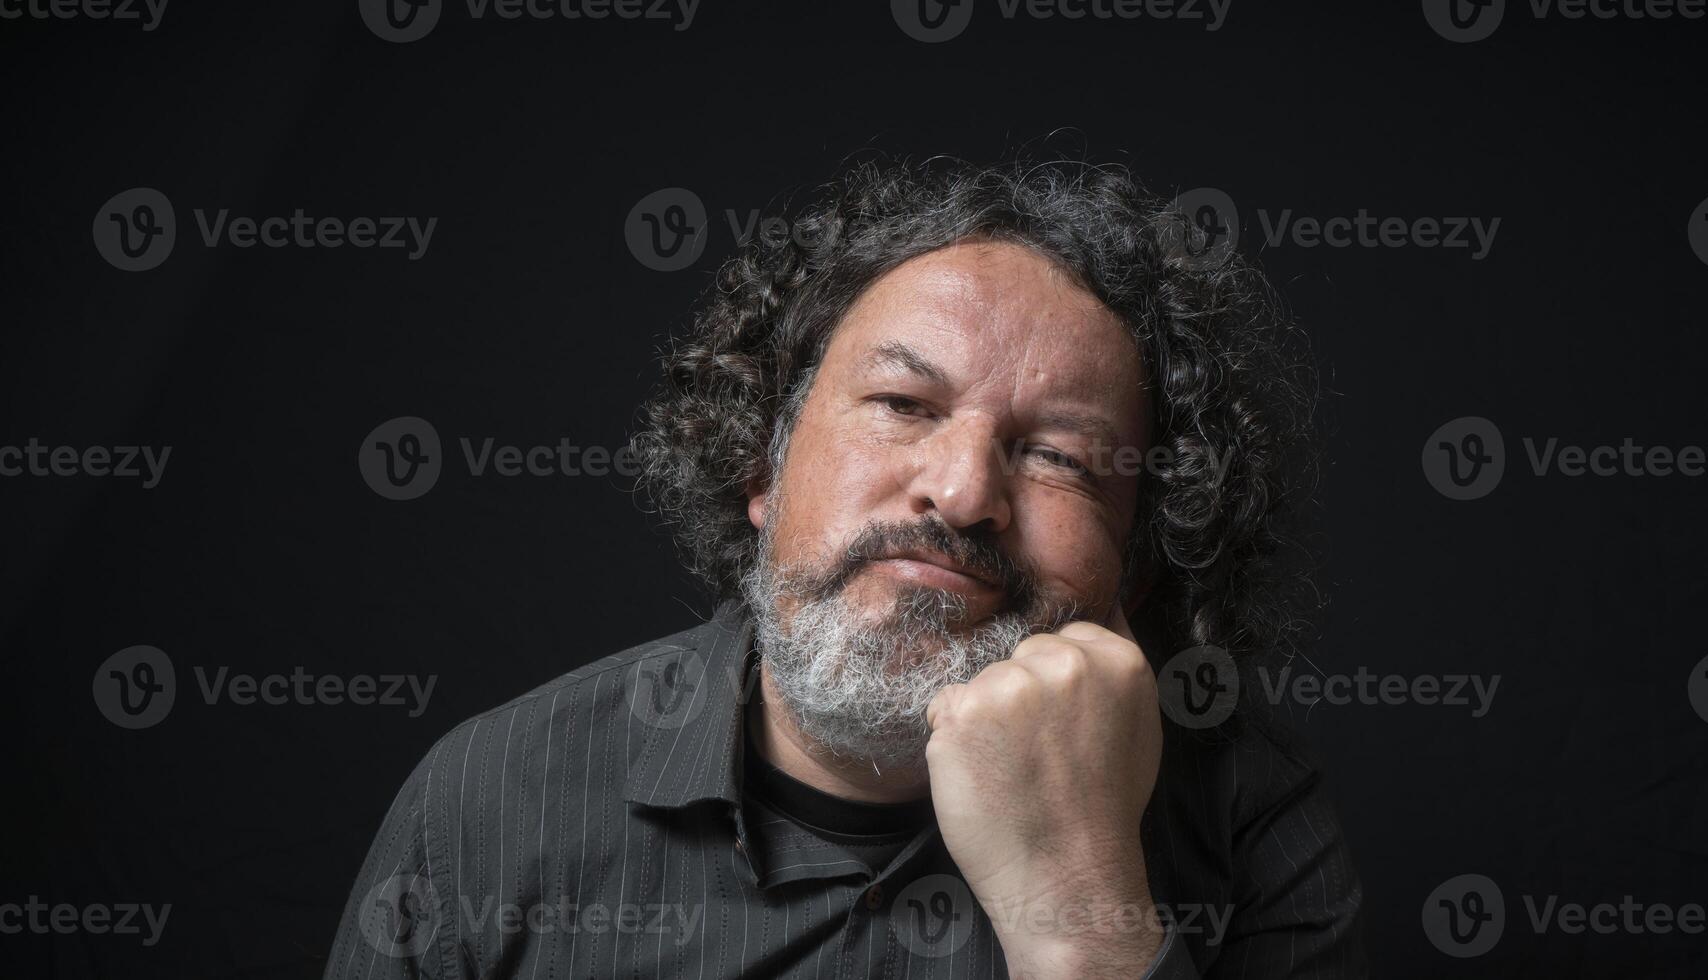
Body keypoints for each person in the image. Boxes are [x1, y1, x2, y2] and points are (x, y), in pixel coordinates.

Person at [323, 157, 1367, 979]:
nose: (963, 493)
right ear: (758, 464)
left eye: (1061, 456)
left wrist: (1078, 915)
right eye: (904, 407)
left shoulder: (1245, 811)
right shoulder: (486, 802)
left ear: (1140, 563)